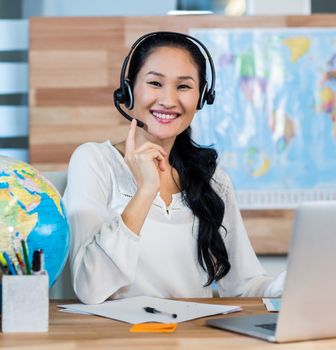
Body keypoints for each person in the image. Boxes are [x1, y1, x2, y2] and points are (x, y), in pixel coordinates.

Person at [63, 32, 285, 304]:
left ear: (202, 97)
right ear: (129, 90)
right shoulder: (94, 161)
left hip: (192, 340)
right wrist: (146, 191)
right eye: (155, 83)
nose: (168, 100)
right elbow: (90, 287)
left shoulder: (213, 180)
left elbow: (243, 285)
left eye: (183, 87)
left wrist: (296, 283)